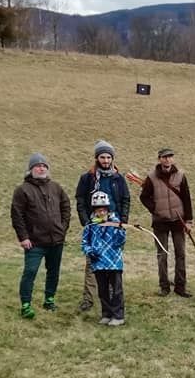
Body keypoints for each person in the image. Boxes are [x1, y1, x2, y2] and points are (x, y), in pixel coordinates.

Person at [11, 152, 71, 319]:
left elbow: (66, 207)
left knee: (53, 272)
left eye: (44, 165)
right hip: (34, 242)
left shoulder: (56, 187)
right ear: (31, 169)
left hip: (56, 240)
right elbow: (17, 215)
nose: (41, 168)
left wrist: (62, 227)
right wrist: (23, 237)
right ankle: (26, 305)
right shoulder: (22, 190)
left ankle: (49, 300)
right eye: (37, 165)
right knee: (30, 272)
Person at [76, 140, 130, 312]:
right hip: (95, 225)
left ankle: (113, 301)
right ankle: (88, 298)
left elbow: (125, 200)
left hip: (114, 225)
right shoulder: (87, 178)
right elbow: (81, 200)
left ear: (112, 158)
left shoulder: (118, 178)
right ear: (96, 158)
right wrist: (86, 222)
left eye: (108, 157)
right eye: (102, 157)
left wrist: (123, 221)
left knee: (113, 265)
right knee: (93, 262)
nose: (105, 160)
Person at [139, 147, 194, 297]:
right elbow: (143, 197)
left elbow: (187, 198)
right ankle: (164, 287)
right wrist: (155, 209)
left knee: (180, 254)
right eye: (164, 157)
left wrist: (189, 221)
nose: (167, 159)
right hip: (160, 222)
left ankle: (180, 287)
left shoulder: (181, 176)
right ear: (159, 159)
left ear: (173, 158)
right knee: (162, 255)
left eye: (170, 156)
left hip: (178, 221)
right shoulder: (151, 177)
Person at [80, 191, 126, 326]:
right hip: (98, 262)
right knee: (102, 290)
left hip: (114, 262)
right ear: (94, 210)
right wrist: (90, 251)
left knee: (116, 290)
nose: (101, 212)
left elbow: (120, 242)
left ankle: (118, 315)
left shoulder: (115, 223)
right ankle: (106, 313)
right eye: (98, 210)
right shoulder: (90, 225)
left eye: (104, 210)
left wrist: (121, 231)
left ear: (108, 209)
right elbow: (84, 243)